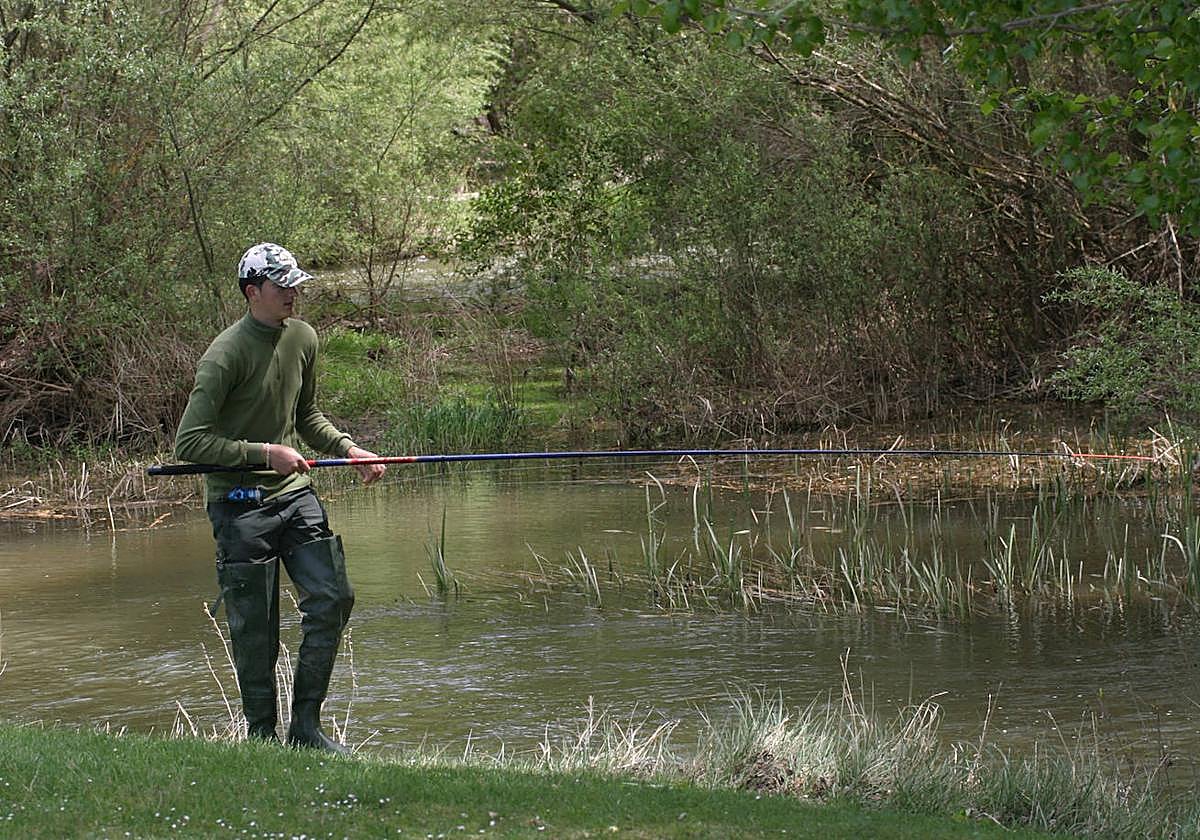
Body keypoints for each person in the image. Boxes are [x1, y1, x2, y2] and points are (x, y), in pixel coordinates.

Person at [174, 242, 386, 752]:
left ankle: (306, 729)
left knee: (334, 598)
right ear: (253, 292)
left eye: (296, 284)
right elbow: (190, 442)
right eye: (281, 285)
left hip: (295, 496)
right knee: (257, 631)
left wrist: (350, 449)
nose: (293, 293)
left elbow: (307, 417)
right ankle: (262, 738)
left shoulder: (304, 338)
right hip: (238, 505)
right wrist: (264, 452)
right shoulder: (224, 355)